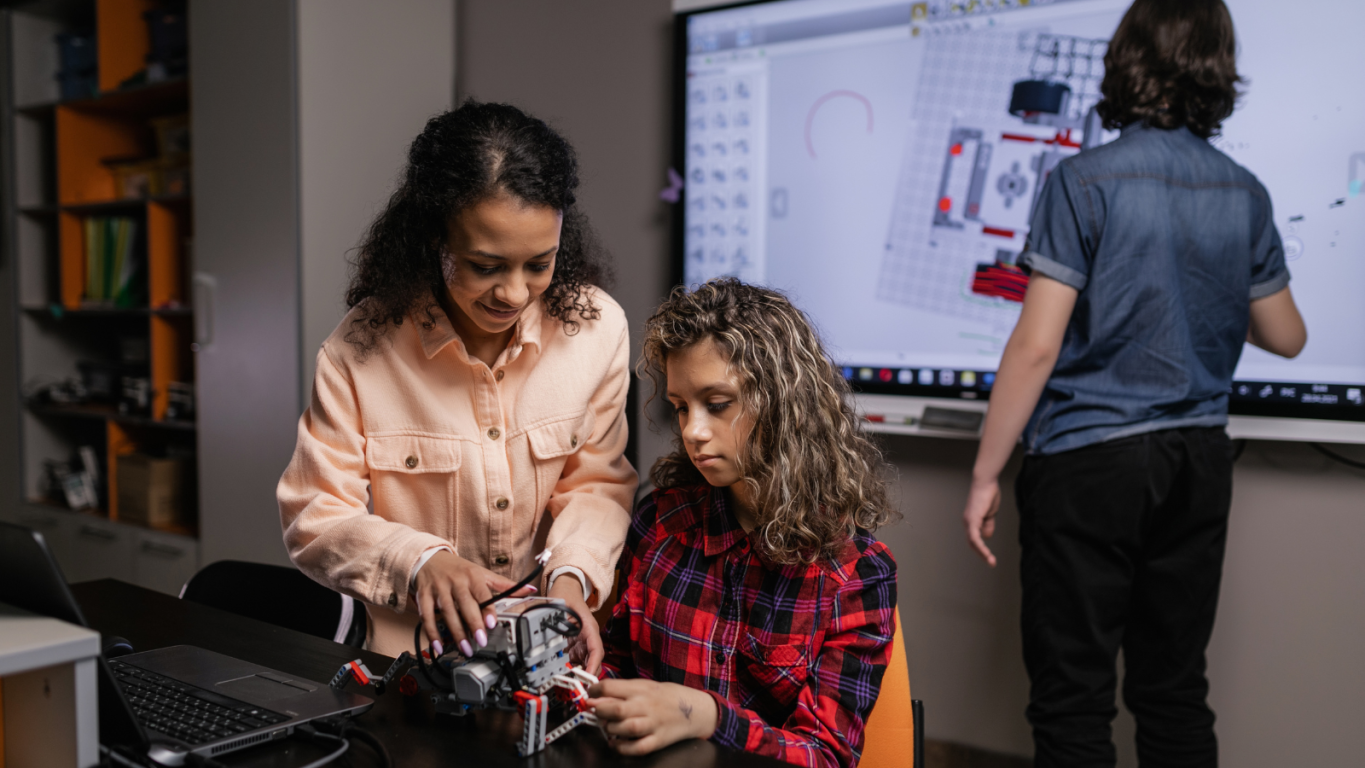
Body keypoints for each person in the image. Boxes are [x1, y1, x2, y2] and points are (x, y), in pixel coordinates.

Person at [960, 1, 1307, 766]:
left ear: (1124, 61)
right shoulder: (1243, 191)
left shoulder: (1081, 181)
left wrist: (985, 474)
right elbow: (1287, 335)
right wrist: (1202, 290)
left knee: (1072, 698)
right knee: (1173, 689)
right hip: (1196, 465)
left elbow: (1034, 347)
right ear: (1217, 69)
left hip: (1088, 464)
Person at [278, 101, 638, 668]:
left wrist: (571, 578)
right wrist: (420, 562)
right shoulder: (357, 352)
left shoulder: (598, 331)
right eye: (485, 266)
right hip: (410, 664)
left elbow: (597, 484)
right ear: (433, 239)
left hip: (546, 653)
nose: (514, 293)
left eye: (538, 264)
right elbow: (315, 515)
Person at [587, 279, 899, 768]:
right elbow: (614, 668)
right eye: (681, 408)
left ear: (782, 401)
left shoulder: (857, 576)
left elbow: (826, 756)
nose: (692, 431)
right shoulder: (660, 521)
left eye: (717, 405)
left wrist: (707, 717)